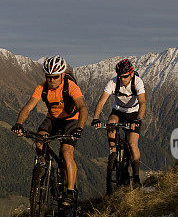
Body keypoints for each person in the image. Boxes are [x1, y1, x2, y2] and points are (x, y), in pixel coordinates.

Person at [11, 55, 88, 208]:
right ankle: (45, 169)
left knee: (66, 152)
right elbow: (28, 107)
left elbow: (82, 107)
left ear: (62, 75)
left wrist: (79, 127)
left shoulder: (71, 86)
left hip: (71, 120)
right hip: (52, 119)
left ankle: (70, 192)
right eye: (48, 77)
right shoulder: (42, 87)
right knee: (39, 143)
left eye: (54, 77)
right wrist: (18, 123)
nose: (51, 80)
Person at [90, 58, 146, 186]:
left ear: (131, 74)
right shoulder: (113, 82)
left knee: (132, 144)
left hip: (133, 114)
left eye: (125, 76)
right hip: (118, 111)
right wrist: (96, 118)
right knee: (111, 124)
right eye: (120, 76)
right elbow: (102, 100)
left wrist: (138, 119)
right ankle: (113, 153)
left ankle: (136, 177)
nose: (122, 79)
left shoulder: (137, 82)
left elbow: (143, 103)